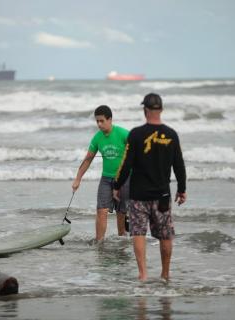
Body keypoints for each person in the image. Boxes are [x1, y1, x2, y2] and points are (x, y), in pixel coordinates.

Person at [113, 93, 187, 281]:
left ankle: (143, 274)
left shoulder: (136, 134)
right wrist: (182, 189)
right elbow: (179, 164)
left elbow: (126, 163)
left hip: (139, 195)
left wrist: (117, 185)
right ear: (161, 110)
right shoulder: (171, 135)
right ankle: (165, 274)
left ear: (145, 110)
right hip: (162, 194)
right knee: (166, 235)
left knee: (138, 232)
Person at [72, 105, 130, 241]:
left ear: (110, 119)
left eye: (102, 121)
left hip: (124, 179)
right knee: (101, 210)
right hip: (106, 179)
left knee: (121, 213)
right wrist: (77, 179)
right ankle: (99, 243)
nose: (99, 124)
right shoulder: (97, 138)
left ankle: (122, 240)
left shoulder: (123, 134)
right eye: (97, 121)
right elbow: (87, 160)